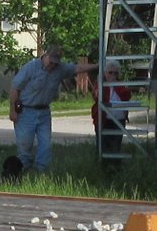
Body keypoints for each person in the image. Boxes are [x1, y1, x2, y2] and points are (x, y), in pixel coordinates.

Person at [6, 46, 93, 175]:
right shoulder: (31, 67)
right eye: (51, 61)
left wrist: (98, 66)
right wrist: (12, 110)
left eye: (55, 63)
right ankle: (22, 171)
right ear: (45, 56)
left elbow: (77, 68)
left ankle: (42, 172)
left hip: (44, 112)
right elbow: (15, 87)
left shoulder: (60, 69)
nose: (52, 65)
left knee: (45, 145)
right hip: (26, 111)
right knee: (25, 145)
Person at [91, 60, 131, 156]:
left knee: (116, 145)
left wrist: (116, 84)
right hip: (104, 119)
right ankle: (102, 163)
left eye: (115, 73)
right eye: (110, 72)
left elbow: (127, 95)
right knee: (102, 146)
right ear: (105, 73)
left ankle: (116, 164)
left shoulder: (120, 85)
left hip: (119, 119)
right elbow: (96, 96)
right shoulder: (100, 84)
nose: (113, 75)